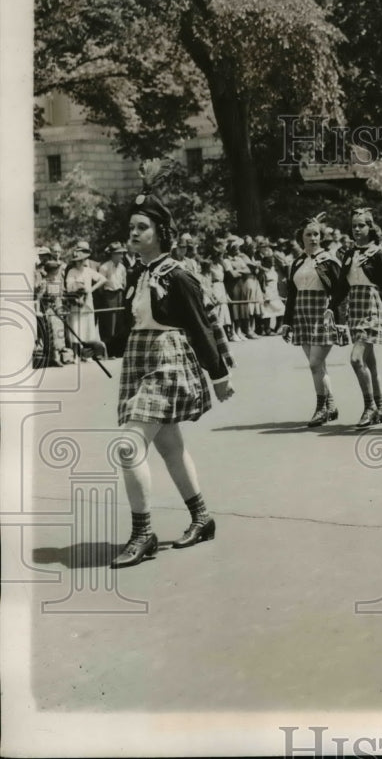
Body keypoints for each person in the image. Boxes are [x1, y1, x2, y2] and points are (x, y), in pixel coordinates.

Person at [110, 192, 235, 569]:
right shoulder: (138, 272)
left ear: (161, 232)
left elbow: (201, 326)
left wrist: (219, 375)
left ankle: (143, 534)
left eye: (141, 227)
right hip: (140, 358)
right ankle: (202, 518)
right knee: (170, 447)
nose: (133, 233)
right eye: (131, 227)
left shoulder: (177, 275)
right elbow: (133, 321)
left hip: (166, 360)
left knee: (129, 448)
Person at [278, 216, 349, 427]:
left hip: (322, 313)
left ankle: (321, 408)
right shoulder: (297, 262)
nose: (312, 238)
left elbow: (340, 292)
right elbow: (291, 295)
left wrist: (341, 320)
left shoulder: (328, 260)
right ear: (301, 238)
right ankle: (331, 406)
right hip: (302, 314)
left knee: (314, 364)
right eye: (308, 234)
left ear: (321, 237)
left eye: (316, 234)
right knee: (318, 366)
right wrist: (286, 322)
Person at [329, 207, 382, 428]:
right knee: (369, 362)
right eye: (354, 225)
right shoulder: (349, 254)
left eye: (361, 225)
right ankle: (381, 406)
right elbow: (341, 285)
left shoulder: (379, 254)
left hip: (371, 305)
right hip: (354, 307)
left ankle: (370, 408)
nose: (357, 229)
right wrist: (332, 307)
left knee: (356, 359)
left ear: (370, 227)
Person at [63, 242, 107, 361]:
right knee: (77, 328)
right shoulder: (71, 271)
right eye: (76, 260)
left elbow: (103, 279)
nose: (78, 262)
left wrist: (91, 289)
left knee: (88, 329)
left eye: (80, 260)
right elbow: (69, 286)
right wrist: (77, 287)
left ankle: (88, 356)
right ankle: (76, 355)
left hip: (87, 303)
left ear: (84, 260)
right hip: (76, 303)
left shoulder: (88, 271)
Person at [97, 242, 128, 358]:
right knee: (110, 324)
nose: (122, 256)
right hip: (109, 295)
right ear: (113, 254)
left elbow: (124, 283)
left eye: (122, 253)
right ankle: (109, 352)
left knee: (120, 324)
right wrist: (107, 296)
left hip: (120, 294)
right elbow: (100, 287)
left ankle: (118, 351)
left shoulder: (122, 267)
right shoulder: (104, 267)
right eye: (119, 253)